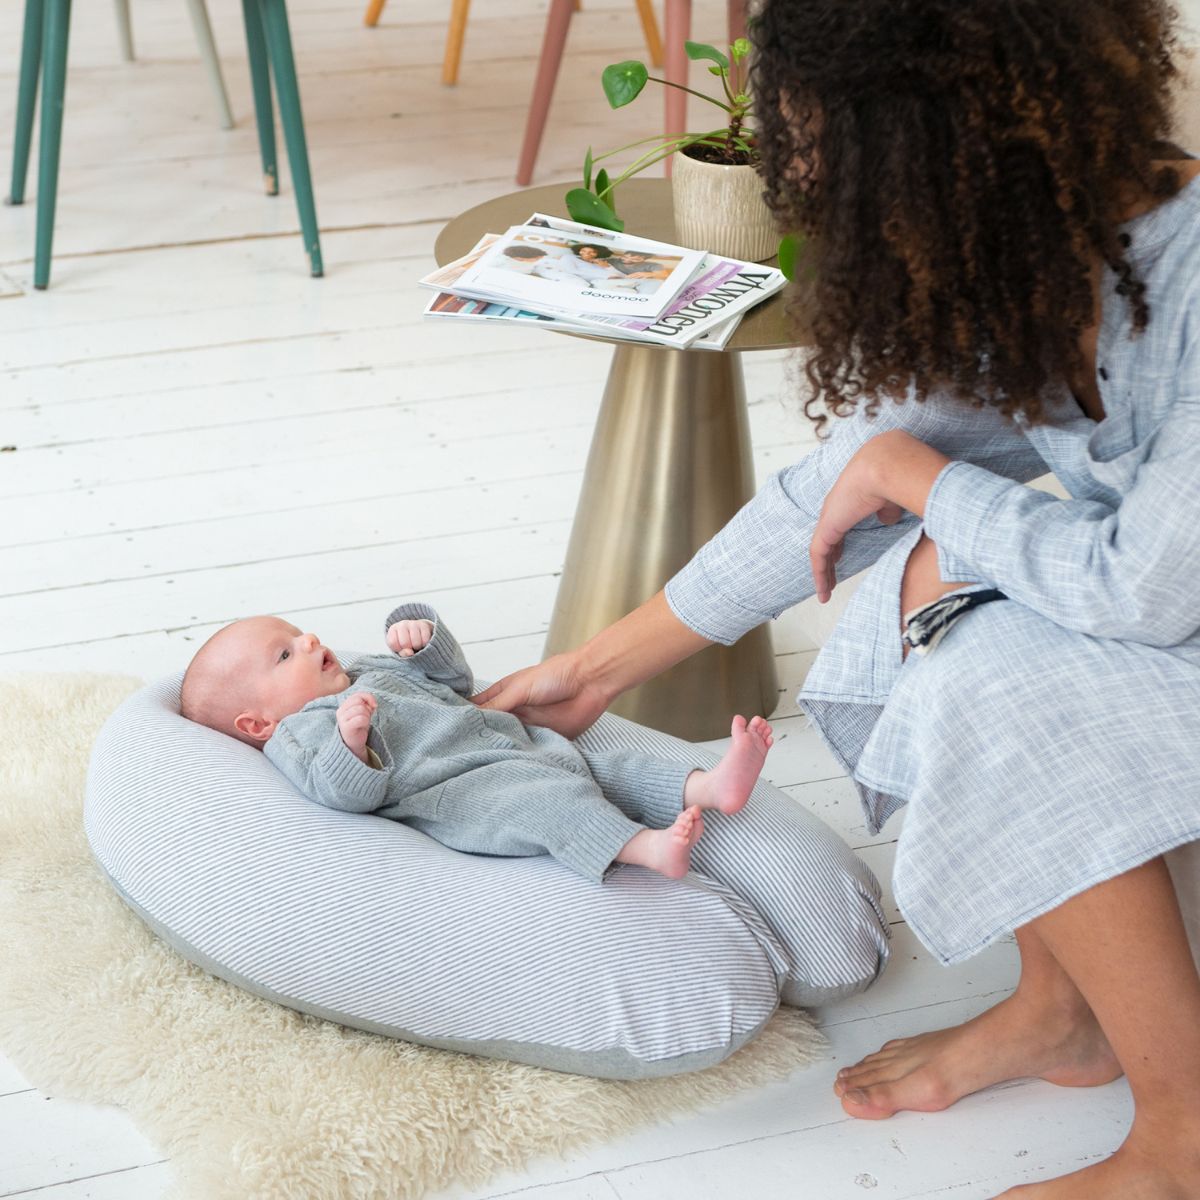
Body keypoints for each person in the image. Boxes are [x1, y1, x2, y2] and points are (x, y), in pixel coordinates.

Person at [473, 1, 1200, 1195]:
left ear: (939, 145)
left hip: (1167, 607)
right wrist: (592, 672)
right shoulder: (1037, 255)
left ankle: (1183, 1144)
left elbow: (1140, 589)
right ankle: (1063, 1015)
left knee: (981, 635)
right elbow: (833, 491)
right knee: (932, 595)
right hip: (1157, 605)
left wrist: (922, 481)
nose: (797, 175)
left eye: (822, 151)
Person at [179, 602, 774, 883]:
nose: (308, 640)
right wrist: (350, 743)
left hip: (512, 743)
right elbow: (341, 793)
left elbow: (454, 686)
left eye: (296, 632)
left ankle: (710, 784)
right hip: (465, 795)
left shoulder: (364, 675)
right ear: (256, 724)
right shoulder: (300, 735)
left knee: (606, 766)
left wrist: (424, 644)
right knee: (550, 804)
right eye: (285, 654)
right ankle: (643, 847)